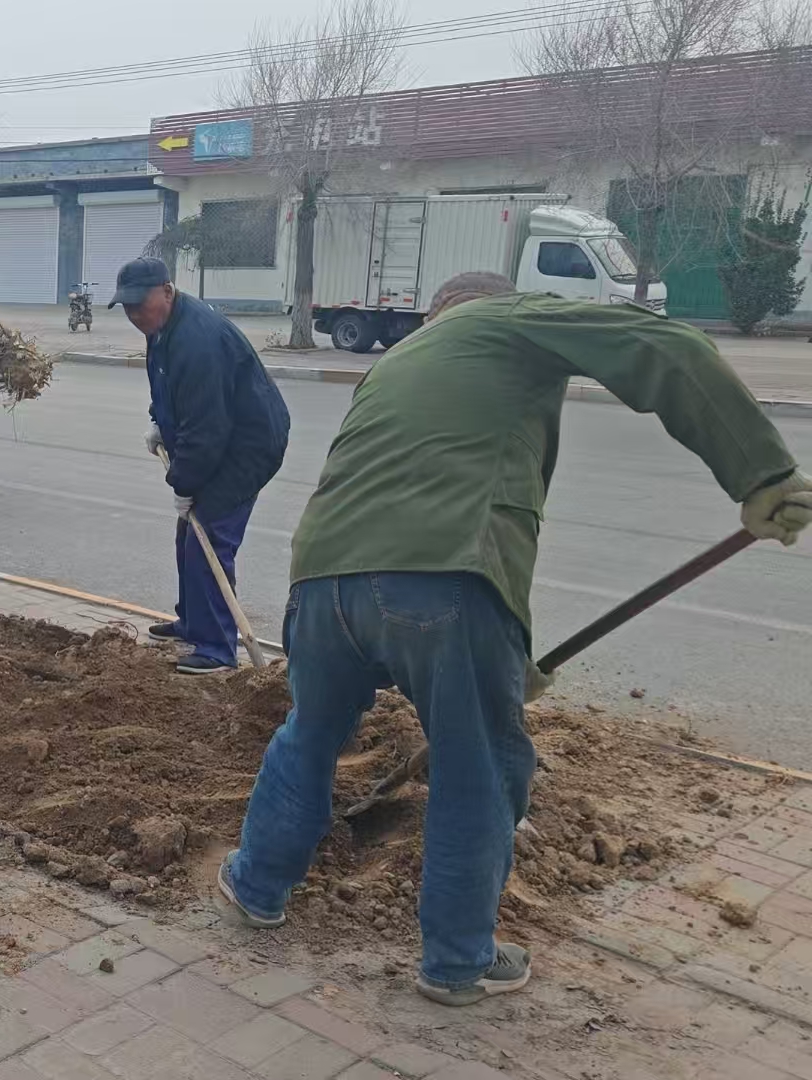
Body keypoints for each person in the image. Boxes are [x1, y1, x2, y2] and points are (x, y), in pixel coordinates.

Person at [220, 272, 812, 1006]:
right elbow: (667, 345)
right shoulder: (510, 318)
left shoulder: (397, 361)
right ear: (496, 302)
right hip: (442, 575)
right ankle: (458, 961)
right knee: (478, 765)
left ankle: (256, 885)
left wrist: (506, 660)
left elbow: (423, 489)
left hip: (320, 582)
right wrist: (762, 473)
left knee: (310, 732)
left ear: (432, 315)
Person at [112, 257, 291, 674]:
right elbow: (167, 386)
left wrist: (184, 484)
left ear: (167, 291)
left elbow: (207, 429)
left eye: (140, 303)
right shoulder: (162, 328)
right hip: (218, 440)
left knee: (208, 534)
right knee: (188, 532)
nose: (134, 314)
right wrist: (159, 421)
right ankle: (193, 621)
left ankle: (216, 648)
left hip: (247, 447)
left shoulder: (197, 340)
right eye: (127, 306)